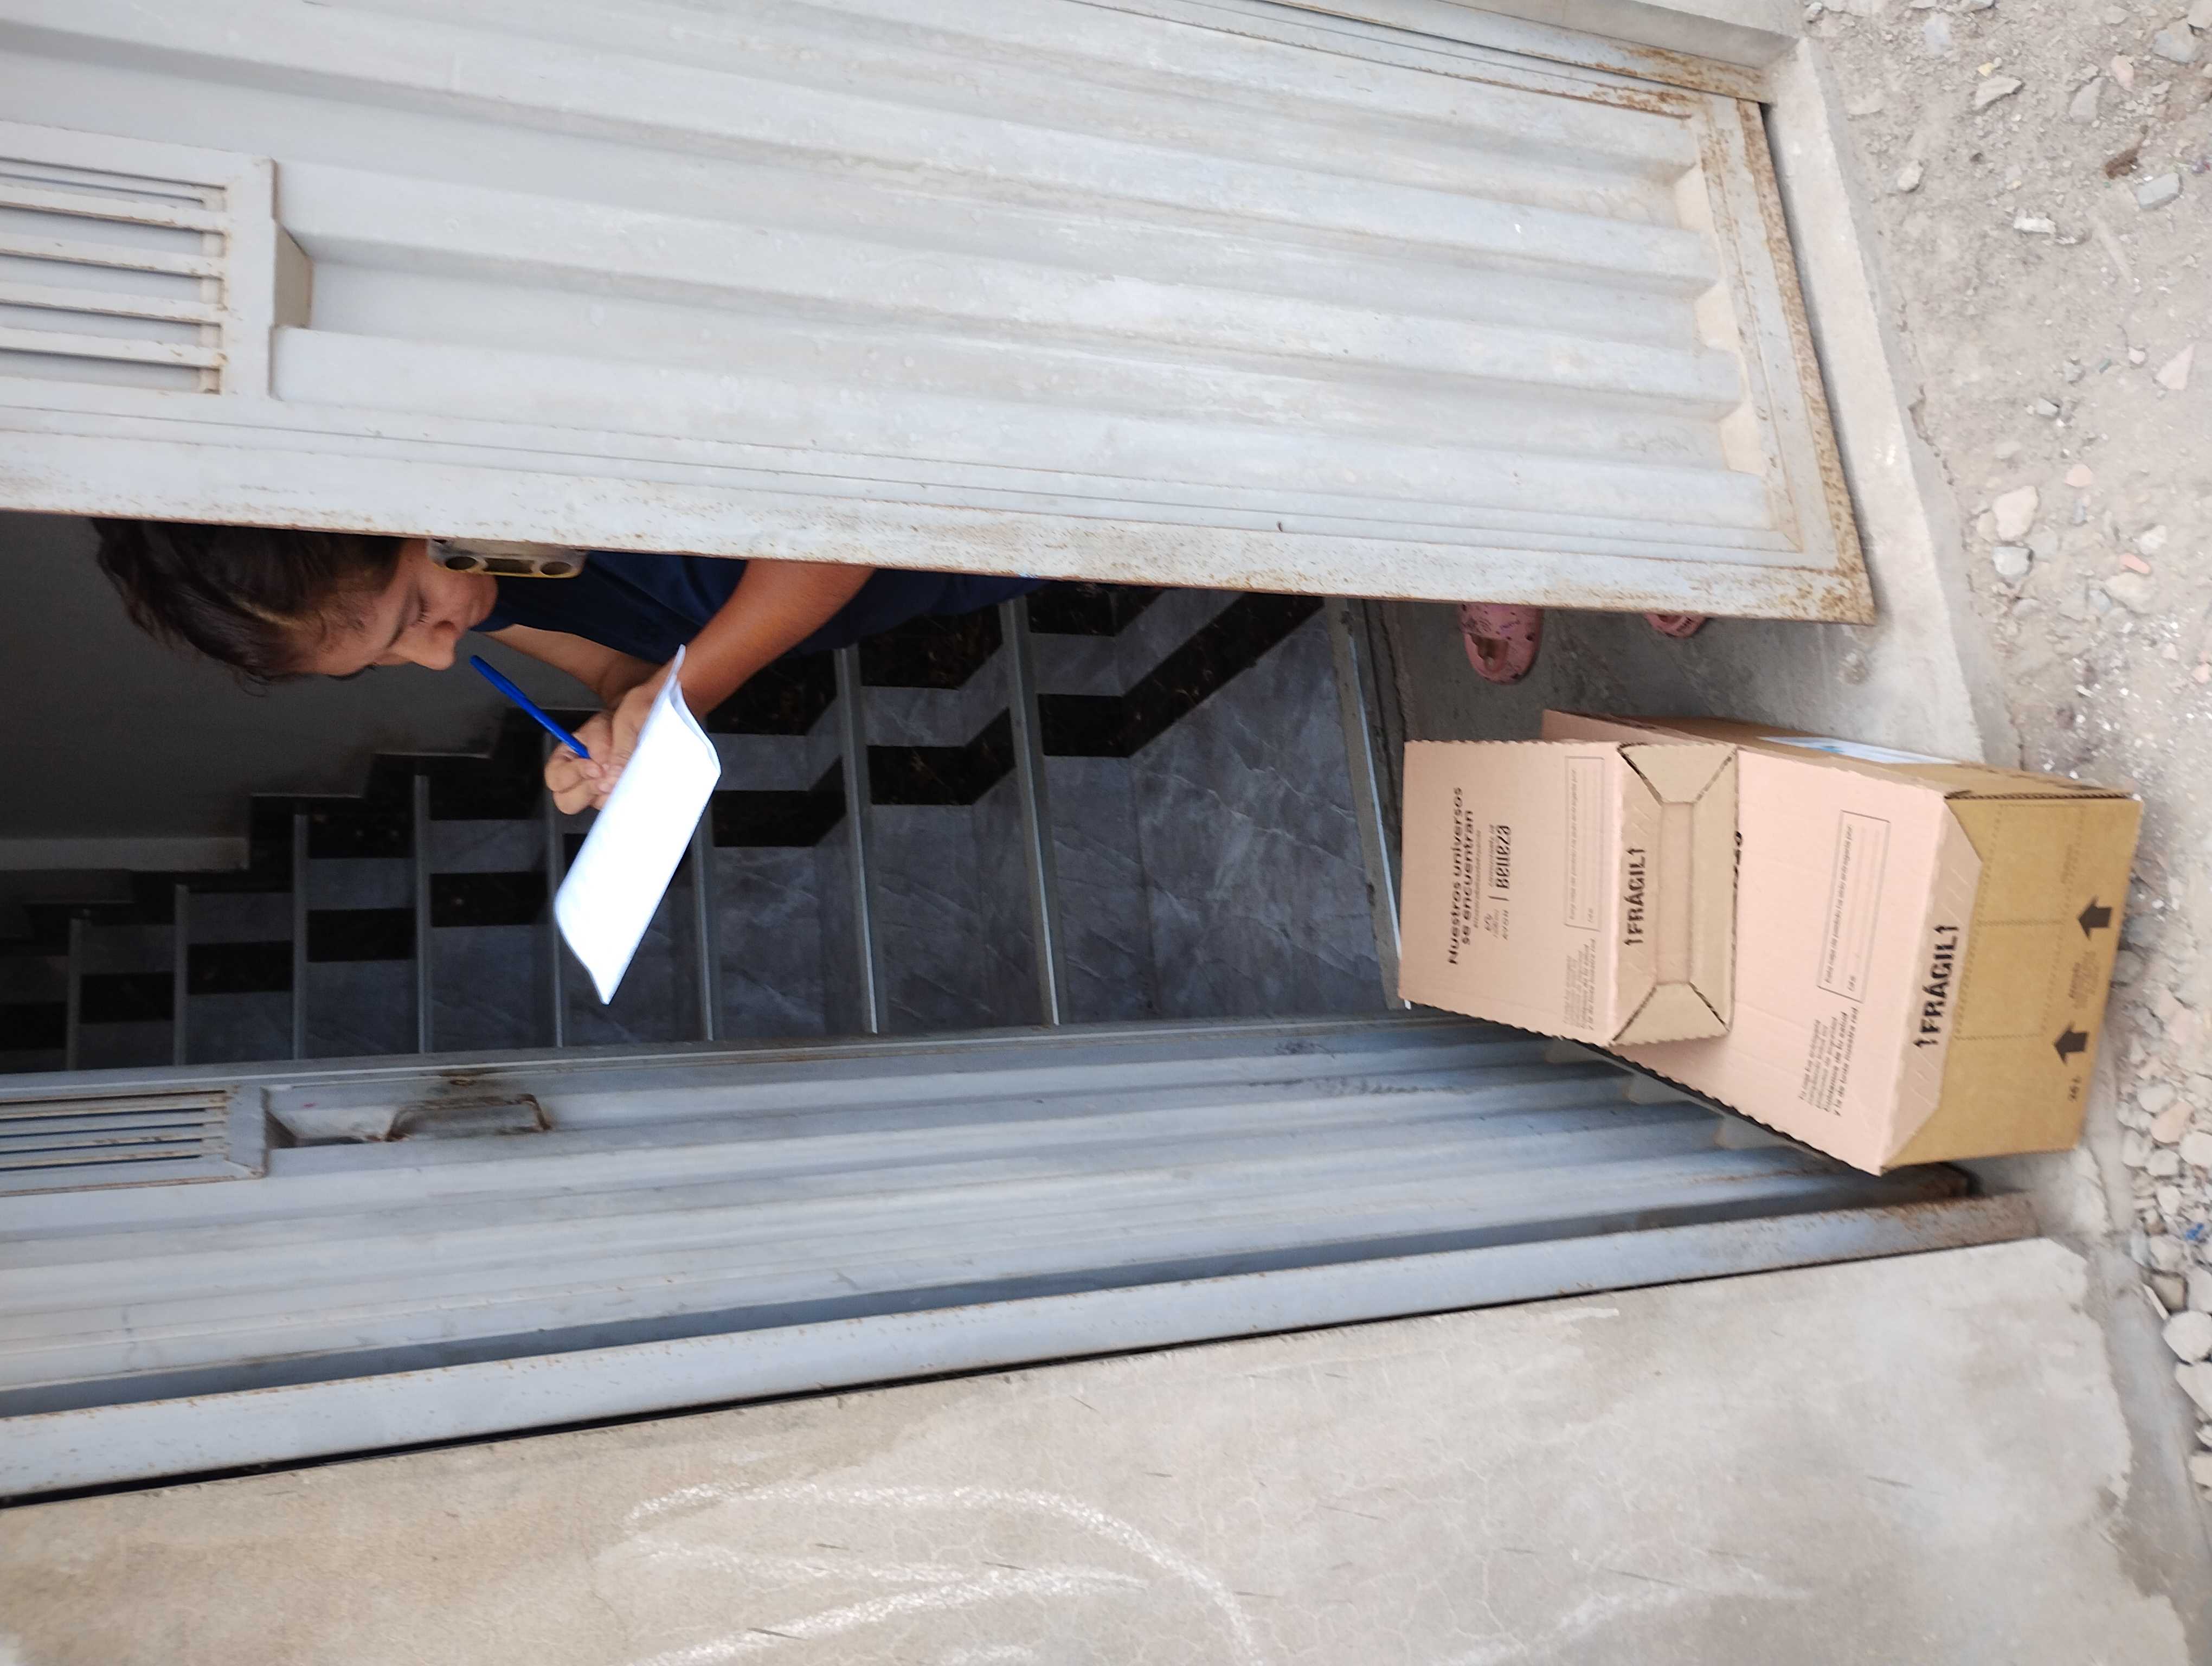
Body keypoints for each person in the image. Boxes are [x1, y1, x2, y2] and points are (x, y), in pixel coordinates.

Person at [91, 523, 1040, 812]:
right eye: (384, 662)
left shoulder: (567, 472)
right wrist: (622, 731)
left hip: (982, 497)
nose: (437, 654)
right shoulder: (485, 594)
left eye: (414, 614)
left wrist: (689, 690)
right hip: (953, 579)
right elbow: (619, 666)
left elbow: (838, 522)